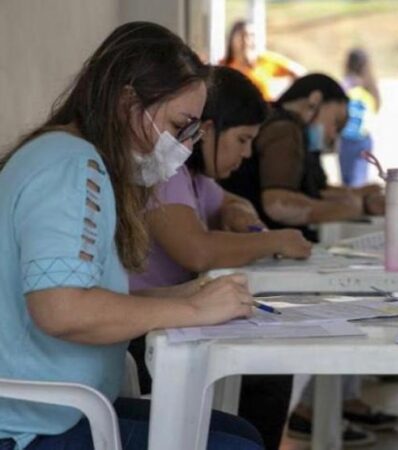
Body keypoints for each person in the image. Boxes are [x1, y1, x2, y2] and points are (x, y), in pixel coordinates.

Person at [0, 22, 264, 450]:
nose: (184, 146)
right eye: (180, 125)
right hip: (33, 425)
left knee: (241, 433)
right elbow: (61, 310)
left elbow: (79, 295)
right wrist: (195, 309)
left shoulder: (74, 159)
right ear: (127, 103)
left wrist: (183, 296)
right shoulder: (70, 166)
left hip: (58, 408)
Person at [127, 66, 312, 449]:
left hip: (165, 318)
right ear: (207, 128)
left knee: (267, 370)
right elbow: (197, 249)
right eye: (242, 140)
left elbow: (229, 201)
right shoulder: (165, 172)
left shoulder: (194, 178)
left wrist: (237, 211)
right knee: (267, 371)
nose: (246, 155)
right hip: (135, 332)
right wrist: (273, 239)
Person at [221, 73, 384, 242]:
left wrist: (356, 195)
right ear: (315, 100)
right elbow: (279, 205)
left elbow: (312, 191)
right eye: (335, 122)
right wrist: (357, 207)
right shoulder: (285, 130)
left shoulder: (291, 129)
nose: (333, 135)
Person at [222, 20, 306, 101]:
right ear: (232, 40)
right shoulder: (223, 67)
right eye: (242, 36)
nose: (247, 41)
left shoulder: (265, 60)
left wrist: (286, 100)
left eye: (251, 36)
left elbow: (300, 73)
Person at [339, 48, 381, 187]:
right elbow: (376, 108)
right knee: (359, 180)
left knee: (347, 182)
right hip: (364, 138)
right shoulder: (370, 86)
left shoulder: (345, 85)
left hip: (346, 138)